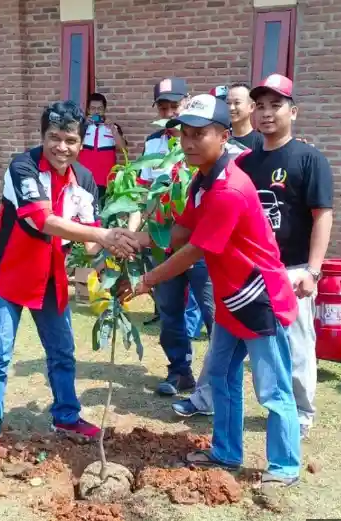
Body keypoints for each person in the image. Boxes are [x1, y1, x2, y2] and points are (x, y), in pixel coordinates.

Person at [122, 93, 301, 487]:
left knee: (272, 387)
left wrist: (146, 281)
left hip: (259, 298)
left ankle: (285, 467)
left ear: (223, 137)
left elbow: (192, 252)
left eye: (198, 134)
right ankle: (226, 452)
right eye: (184, 133)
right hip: (233, 299)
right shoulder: (202, 181)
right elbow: (181, 232)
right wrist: (137, 242)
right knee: (219, 377)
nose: (187, 142)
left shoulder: (229, 189)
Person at [0, 101, 140, 466]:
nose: (62, 147)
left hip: (50, 277)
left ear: (80, 143)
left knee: (62, 353)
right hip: (9, 275)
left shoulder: (86, 180)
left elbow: (91, 244)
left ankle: (66, 417)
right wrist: (104, 233)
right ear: (43, 136)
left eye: (70, 140)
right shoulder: (23, 166)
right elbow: (42, 220)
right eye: (54, 137)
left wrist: (125, 238)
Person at [173, 75, 333, 440]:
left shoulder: (309, 159)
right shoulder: (245, 161)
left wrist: (313, 270)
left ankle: (301, 412)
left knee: (294, 345)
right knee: (224, 344)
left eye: (275, 105)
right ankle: (206, 397)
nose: (266, 113)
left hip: (290, 269)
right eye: (260, 105)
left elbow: (322, 215)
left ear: (292, 111)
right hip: (245, 272)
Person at [129, 77, 215, 396]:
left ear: (187, 102)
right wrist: (135, 232)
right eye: (162, 107)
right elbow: (144, 193)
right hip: (163, 242)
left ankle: (215, 381)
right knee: (169, 312)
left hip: (202, 244)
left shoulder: (203, 141)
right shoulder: (153, 144)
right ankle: (179, 371)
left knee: (213, 314)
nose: (168, 113)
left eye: (173, 106)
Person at [78, 92, 127, 203]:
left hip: (106, 179)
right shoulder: (81, 127)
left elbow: (123, 149)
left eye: (100, 108)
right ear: (88, 110)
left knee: (104, 210)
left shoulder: (113, 127)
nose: (96, 111)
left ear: (104, 110)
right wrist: (83, 126)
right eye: (93, 108)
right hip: (85, 178)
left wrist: (113, 129)